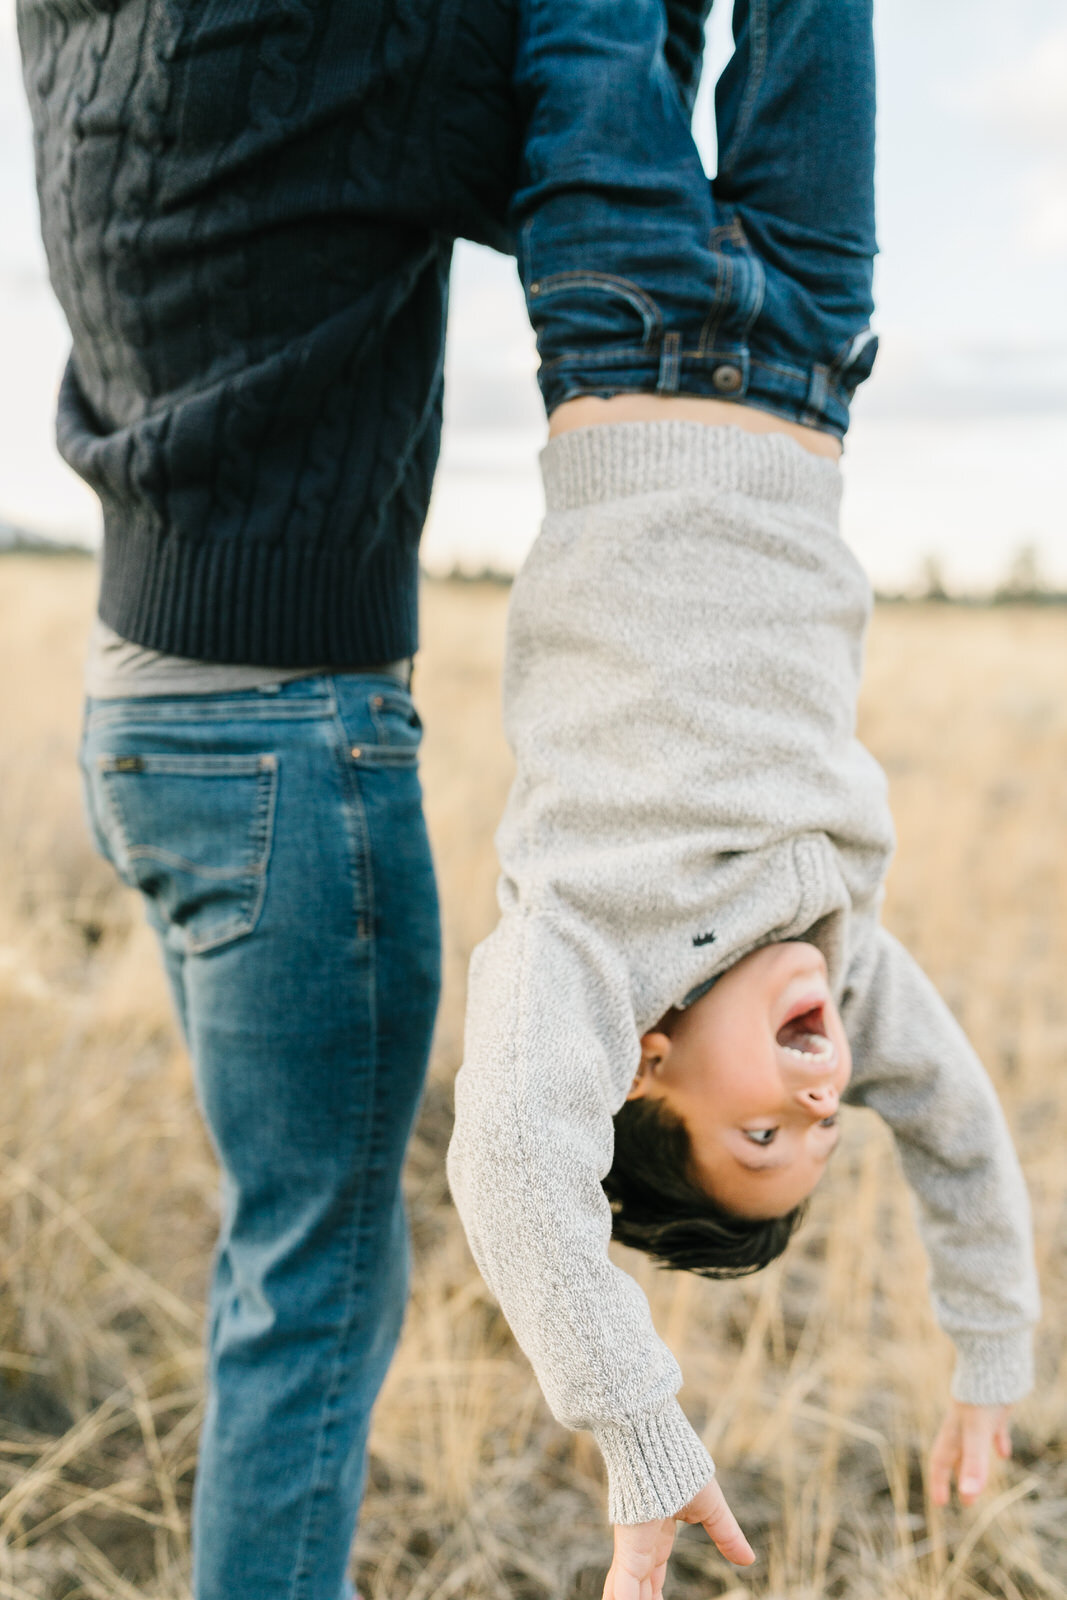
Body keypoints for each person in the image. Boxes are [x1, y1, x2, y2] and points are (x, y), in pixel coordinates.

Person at [445, 1, 1041, 1596]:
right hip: (811, 339)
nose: (822, 1100)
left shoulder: (580, 953)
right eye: (819, 1137)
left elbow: (510, 1161)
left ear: (637, 1068)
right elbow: (965, 1142)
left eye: (758, 1129)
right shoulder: (842, 964)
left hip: (622, 310)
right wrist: (991, 1350)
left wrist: (644, 1428)